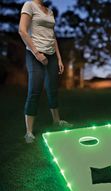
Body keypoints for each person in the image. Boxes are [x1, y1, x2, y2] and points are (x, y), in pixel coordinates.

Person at [19, 0, 72, 144]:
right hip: (35, 54)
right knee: (34, 91)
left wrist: (59, 58)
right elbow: (22, 30)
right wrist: (37, 53)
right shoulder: (29, 5)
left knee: (52, 89)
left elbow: (52, 36)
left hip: (51, 54)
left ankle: (57, 121)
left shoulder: (49, 11)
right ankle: (29, 132)